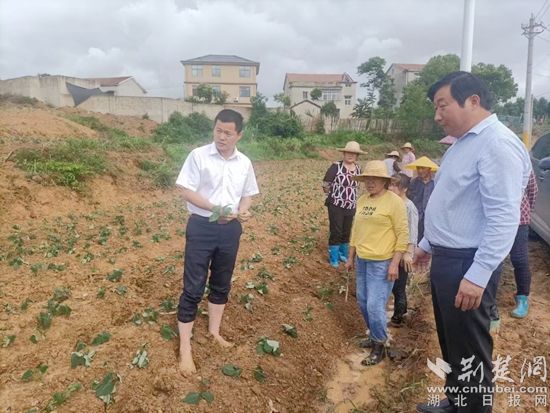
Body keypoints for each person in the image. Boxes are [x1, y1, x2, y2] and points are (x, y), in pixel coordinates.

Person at [414, 72, 531, 413]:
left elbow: (504, 217)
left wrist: (478, 274)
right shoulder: (463, 143)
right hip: (449, 259)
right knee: (453, 341)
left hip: (468, 262)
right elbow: (454, 203)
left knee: (471, 349)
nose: (437, 116)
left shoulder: (497, 144)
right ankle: (457, 400)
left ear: (473, 101)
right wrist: (427, 243)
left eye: (442, 105)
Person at [175, 109, 260, 376]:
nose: (222, 137)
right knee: (193, 287)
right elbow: (186, 190)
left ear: (239, 135)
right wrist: (215, 209)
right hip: (202, 226)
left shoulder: (244, 163)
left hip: (230, 230)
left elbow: (247, 194)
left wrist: (243, 209)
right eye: (218, 131)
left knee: (222, 282)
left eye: (228, 133)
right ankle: (185, 348)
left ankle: (214, 332)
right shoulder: (198, 156)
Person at [344, 160, 408, 366]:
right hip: (362, 260)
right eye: (367, 179)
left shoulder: (394, 202)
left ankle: (380, 345)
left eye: (375, 179)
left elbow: (402, 234)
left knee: (374, 305)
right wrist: (351, 256)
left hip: (382, 262)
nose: (370, 183)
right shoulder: (362, 200)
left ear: (384, 181)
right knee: (363, 301)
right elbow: (356, 230)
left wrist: (394, 263)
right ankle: (374, 335)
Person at [322, 141, 365, 267]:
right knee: (336, 230)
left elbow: (357, 186)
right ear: (344, 153)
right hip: (336, 205)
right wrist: (335, 195)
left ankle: (343, 253)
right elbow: (326, 184)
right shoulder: (336, 166)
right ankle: (334, 257)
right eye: (348, 153)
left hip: (350, 205)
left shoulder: (358, 168)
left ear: (357, 156)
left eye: (353, 153)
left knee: (346, 231)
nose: (350, 155)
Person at [388, 173, 418, 326]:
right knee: (395, 285)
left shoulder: (409, 207)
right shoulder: (391, 203)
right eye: (390, 184)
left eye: (395, 185)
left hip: (403, 252)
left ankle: (398, 316)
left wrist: (408, 252)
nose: (391, 188)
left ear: (404, 188)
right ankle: (402, 310)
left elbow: (412, 231)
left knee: (398, 286)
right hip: (391, 250)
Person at [405, 156, 438, 242]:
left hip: (431, 216)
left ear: (429, 169)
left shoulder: (436, 182)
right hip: (416, 215)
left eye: (423, 168)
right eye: (418, 168)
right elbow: (408, 197)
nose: (420, 171)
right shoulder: (413, 182)